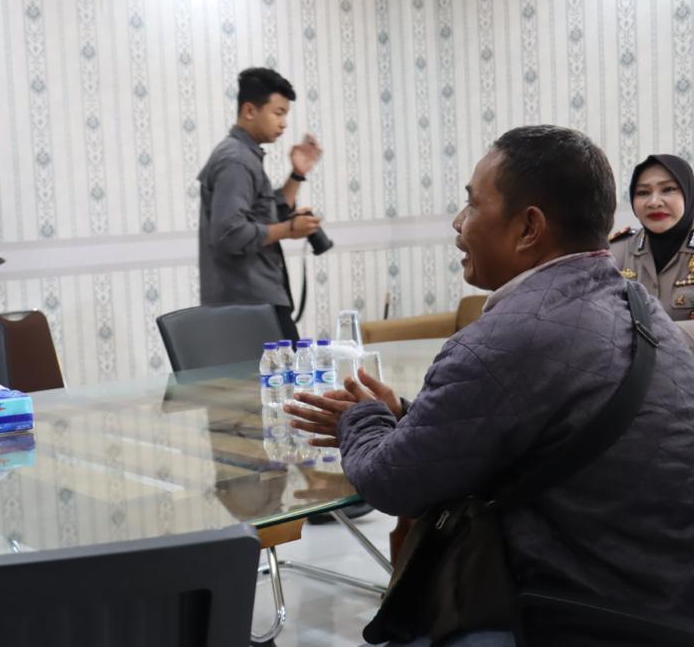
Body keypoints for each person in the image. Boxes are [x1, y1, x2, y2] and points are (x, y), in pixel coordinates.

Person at [286, 125, 694, 645]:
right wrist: (410, 416)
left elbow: (391, 483)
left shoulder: (506, 338)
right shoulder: (640, 307)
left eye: (472, 205)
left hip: (579, 612)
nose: (459, 224)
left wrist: (358, 419)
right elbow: (545, 427)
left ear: (529, 228)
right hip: (663, 599)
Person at [197, 67, 323, 342]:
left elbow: (262, 217)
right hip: (248, 305)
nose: (284, 123)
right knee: (286, 370)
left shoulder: (242, 155)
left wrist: (297, 174)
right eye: (278, 113)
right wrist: (289, 229)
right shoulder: (236, 160)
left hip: (251, 301)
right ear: (250, 111)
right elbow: (229, 233)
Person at [610, 154, 694, 347]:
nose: (654, 202)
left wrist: (649, 336)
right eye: (643, 192)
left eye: (668, 189)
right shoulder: (616, 252)